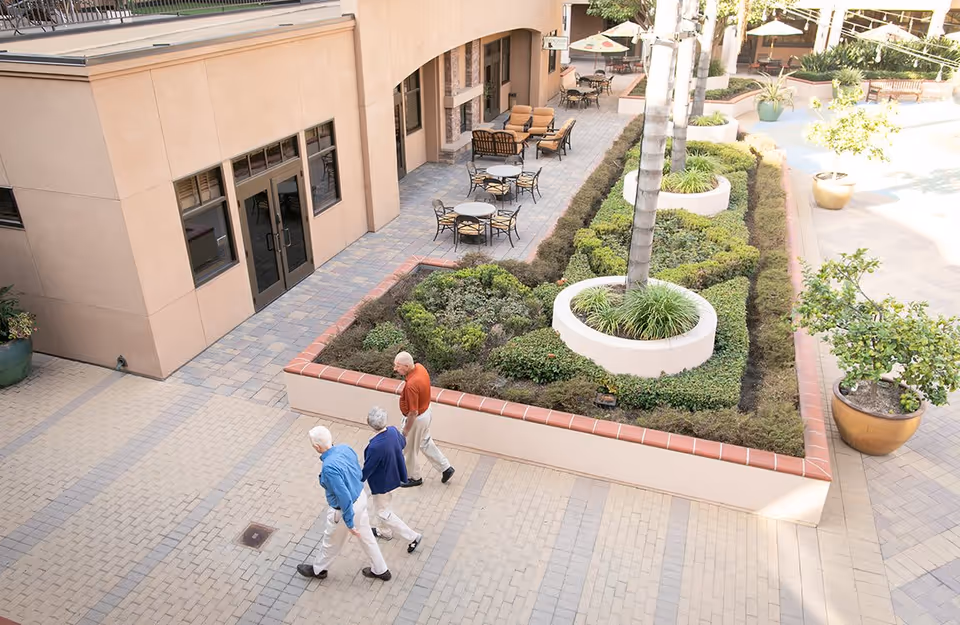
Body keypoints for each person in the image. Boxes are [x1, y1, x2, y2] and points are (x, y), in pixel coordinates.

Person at [296, 425, 391, 582]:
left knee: (331, 541)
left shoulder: (328, 468)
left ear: (317, 447)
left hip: (344, 510)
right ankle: (381, 570)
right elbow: (358, 472)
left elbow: (344, 496)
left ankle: (319, 570)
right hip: (360, 498)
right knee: (366, 536)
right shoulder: (345, 448)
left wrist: (349, 522)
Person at [361, 406, 423, 553]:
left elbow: (368, 468)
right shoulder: (394, 431)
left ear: (369, 423)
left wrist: (359, 479)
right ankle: (385, 531)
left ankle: (412, 536)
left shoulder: (375, 446)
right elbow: (402, 443)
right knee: (380, 504)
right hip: (392, 476)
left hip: (381, 482)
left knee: (382, 511)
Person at [393, 352, 455, 487]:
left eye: (398, 366)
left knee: (409, 449)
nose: (395, 369)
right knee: (425, 442)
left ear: (407, 366)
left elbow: (413, 412)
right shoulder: (420, 368)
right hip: (426, 412)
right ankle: (446, 467)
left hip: (417, 420)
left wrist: (406, 431)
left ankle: (413, 477)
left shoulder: (411, 385)